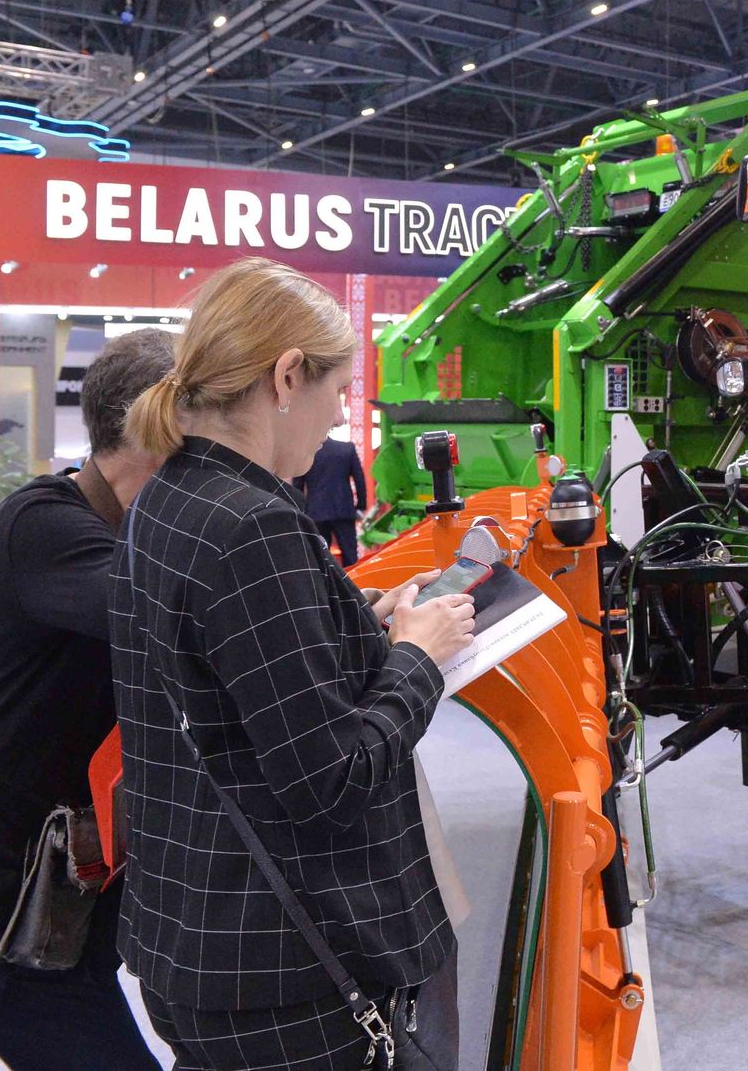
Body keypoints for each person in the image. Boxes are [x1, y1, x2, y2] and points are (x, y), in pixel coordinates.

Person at [111, 259, 475, 1070]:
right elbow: (331, 780)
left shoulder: (170, 495)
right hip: (286, 974)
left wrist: (353, 623)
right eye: (338, 388)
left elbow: (226, 677)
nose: (341, 413)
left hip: (193, 940)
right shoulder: (254, 526)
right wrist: (419, 656)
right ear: (285, 376)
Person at [0, 330, 176, 1070]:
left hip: (52, 903)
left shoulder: (131, 536)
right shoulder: (42, 522)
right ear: (159, 424)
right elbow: (163, 612)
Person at [296, 433, 368, 566]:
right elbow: (359, 479)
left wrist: (301, 510)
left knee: (320, 555)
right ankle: (353, 578)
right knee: (350, 554)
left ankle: (325, 580)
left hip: (316, 511)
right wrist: (361, 506)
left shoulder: (307, 453)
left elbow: (298, 484)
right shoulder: (346, 449)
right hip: (343, 509)